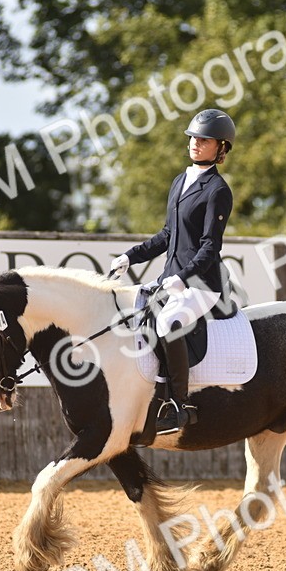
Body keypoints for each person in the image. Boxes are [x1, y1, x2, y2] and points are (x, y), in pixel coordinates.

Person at [109, 108, 236, 435]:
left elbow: (210, 246)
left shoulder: (218, 190)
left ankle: (180, 405)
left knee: (168, 322)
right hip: (171, 278)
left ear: (221, 148)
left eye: (204, 139)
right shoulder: (180, 181)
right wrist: (130, 257)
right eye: (193, 137)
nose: (195, 143)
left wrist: (186, 276)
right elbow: (168, 235)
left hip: (202, 285)